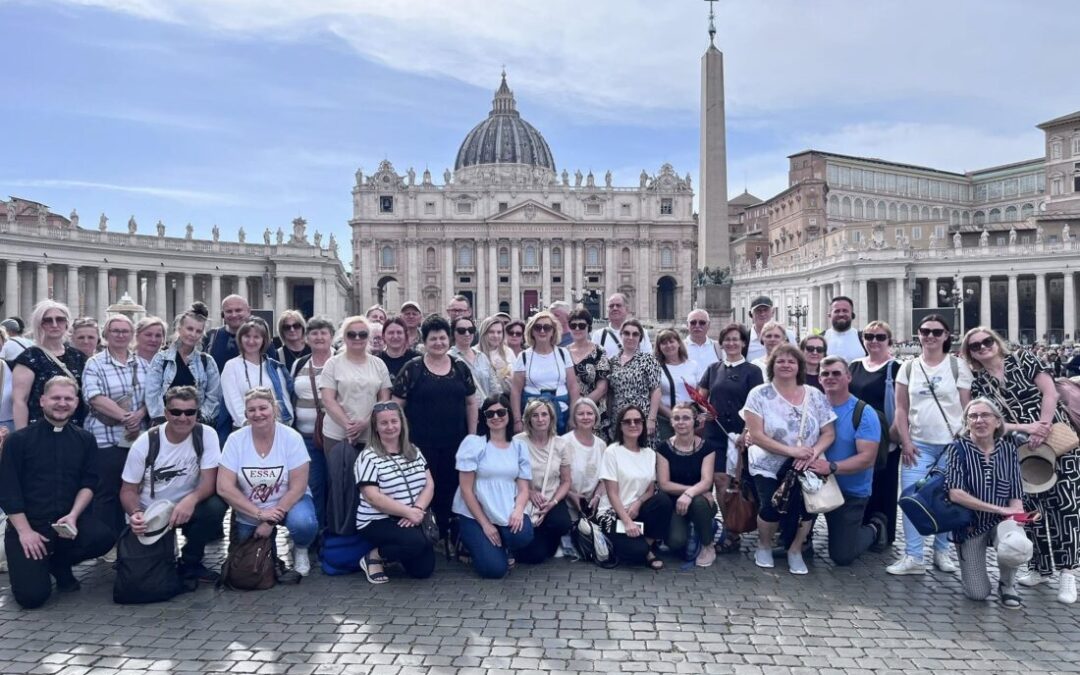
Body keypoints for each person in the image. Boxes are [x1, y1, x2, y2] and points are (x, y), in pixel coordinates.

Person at [961, 325, 1080, 602]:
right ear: (970, 354)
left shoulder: (1024, 358)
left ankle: (1068, 573)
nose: (982, 348)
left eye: (986, 341)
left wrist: (1044, 425)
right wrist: (1028, 428)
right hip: (1020, 447)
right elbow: (990, 420)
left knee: (1067, 505)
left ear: (996, 341)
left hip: (1057, 439)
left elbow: (1050, 393)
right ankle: (1040, 567)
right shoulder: (980, 383)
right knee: (1032, 508)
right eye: (975, 346)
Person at [0, 376, 113, 608]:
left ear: (76, 403)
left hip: (66, 525)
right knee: (32, 598)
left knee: (103, 536)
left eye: (68, 398)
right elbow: (8, 490)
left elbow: (89, 483)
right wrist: (25, 532)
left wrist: (73, 515)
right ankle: (37, 566)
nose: (62, 403)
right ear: (42, 401)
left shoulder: (85, 439)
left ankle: (59, 564)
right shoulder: (18, 441)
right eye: (56, 398)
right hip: (29, 527)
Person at [741, 344, 836, 575]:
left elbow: (829, 432)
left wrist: (813, 453)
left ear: (799, 366)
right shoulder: (759, 394)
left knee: (807, 508)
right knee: (771, 506)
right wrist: (791, 451)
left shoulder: (814, 395)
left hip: (806, 462)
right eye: (780, 361)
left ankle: (795, 549)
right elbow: (756, 435)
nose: (785, 365)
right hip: (768, 463)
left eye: (791, 361)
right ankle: (764, 545)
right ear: (772, 365)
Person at [889, 313, 971, 575]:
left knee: (945, 499)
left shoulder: (958, 366)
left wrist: (964, 441)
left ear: (947, 336)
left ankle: (941, 551)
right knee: (912, 498)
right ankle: (913, 556)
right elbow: (901, 409)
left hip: (952, 445)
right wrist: (905, 440)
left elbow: (967, 408)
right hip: (918, 444)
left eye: (937, 332)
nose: (930, 336)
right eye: (925, 331)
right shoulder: (908, 367)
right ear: (919, 334)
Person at [119, 386, 227, 583]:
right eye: (176, 412)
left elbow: (210, 481)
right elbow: (128, 490)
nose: (183, 418)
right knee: (149, 574)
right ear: (166, 413)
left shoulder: (206, 434)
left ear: (197, 413)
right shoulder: (145, 442)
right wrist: (135, 513)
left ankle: (191, 562)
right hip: (151, 511)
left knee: (215, 506)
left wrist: (191, 500)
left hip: (187, 507)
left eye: (190, 412)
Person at [217, 388, 318, 577]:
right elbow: (224, 487)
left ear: (275, 409)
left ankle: (301, 549)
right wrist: (259, 514)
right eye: (252, 410)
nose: (258, 414)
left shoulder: (291, 437)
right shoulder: (235, 440)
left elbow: (298, 486)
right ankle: (269, 550)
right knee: (248, 559)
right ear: (246, 414)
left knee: (303, 523)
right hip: (251, 507)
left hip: (289, 501)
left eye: (263, 408)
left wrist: (269, 521)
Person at [392, 315, 478, 534]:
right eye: (433, 339)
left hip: (455, 442)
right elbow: (396, 406)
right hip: (421, 444)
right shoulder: (413, 369)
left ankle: (446, 530)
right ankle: (424, 530)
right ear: (425, 341)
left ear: (448, 339)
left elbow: (471, 402)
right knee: (423, 488)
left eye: (442, 338)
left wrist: (472, 436)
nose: (438, 343)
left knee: (450, 487)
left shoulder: (460, 368)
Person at [944, 398, 1026, 608]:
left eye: (985, 415)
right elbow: (956, 493)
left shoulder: (1009, 450)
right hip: (970, 525)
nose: (979, 420)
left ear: (997, 422)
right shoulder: (957, 449)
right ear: (967, 422)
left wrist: (1016, 514)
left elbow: (1016, 492)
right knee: (977, 593)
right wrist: (999, 508)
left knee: (1016, 544)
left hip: (1002, 521)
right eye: (973, 416)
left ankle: (1008, 584)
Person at [809, 356, 887, 566]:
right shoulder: (811, 408)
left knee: (842, 556)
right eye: (825, 374)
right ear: (819, 378)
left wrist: (831, 467)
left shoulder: (863, 413)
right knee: (795, 545)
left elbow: (867, 459)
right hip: (814, 487)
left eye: (836, 373)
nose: (830, 377)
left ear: (849, 377)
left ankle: (875, 528)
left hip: (850, 492)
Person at [698, 322, 764, 554]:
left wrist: (747, 432)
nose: (731, 343)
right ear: (722, 343)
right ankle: (729, 528)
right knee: (719, 480)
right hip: (715, 433)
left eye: (736, 339)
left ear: (744, 343)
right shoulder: (713, 368)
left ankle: (739, 525)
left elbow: (756, 405)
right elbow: (701, 397)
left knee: (737, 483)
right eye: (727, 339)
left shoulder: (753, 371)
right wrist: (702, 412)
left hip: (739, 435)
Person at [354, 400, 436, 584]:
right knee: (415, 542)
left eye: (394, 421)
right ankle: (374, 556)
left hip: (413, 514)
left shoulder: (413, 450)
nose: (390, 427)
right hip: (377, 519)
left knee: (424, 570)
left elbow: (429, 484)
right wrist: (407, 512)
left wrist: (417, 509)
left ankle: (396, 554)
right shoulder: (368, 457)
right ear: (375, 427)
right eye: (384, 423)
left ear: (401, 423)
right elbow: (372, 496)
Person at [452, 395, 534, 579]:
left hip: (506, 509)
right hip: (475, 513)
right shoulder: (473, 444)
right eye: (490, 413)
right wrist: (486, 524)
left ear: (509, 414)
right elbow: (465, 490)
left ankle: (504, 545)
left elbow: (523, 488)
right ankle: (468, 542)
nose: (496, 417)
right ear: (484, 417)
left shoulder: (519, 447)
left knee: (522, 535)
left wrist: (519, 510)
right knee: (494, 570)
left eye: (501, 412)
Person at [82, 314, 149, 539]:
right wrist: (125, 417)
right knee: (107, 490)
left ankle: (135, 535)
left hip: (136, 438)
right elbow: (94, 396)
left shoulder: (143, 364)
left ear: (132, 336)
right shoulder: (95, 363)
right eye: (115, 331)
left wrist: (139, 415)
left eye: (125, 331)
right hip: (105, 437)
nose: (120, 335)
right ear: (106, 335)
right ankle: (108, 540)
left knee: (136, 488)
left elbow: (153, 396)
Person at [595, 404, 673, 569]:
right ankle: (643, 549)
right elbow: (612, 494)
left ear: (643, 425)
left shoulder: (650, 454)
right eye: (627, 421)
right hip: (613, 513)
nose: (633, 425)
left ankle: (646, 544)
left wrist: (638, 503)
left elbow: (650, 490)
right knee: (636, 552)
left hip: (637, 510)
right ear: (620, 426)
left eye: (637, 421)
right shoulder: (612, 452)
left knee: (663, 501)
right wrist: (627, 521)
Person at [848, 320, 903, 549]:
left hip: (886, 435)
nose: (874, 341)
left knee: (885, 483)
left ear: (889, 341)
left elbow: (903, 405)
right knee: (861, 482)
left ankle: (883, 533)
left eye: (880, 337)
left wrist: (896, 434)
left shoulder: (897, 367)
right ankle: (859, 529)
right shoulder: (854, 366)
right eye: (869, 337)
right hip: (857, 435)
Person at [203, 295, 277, 441]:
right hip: (218, 410)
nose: (234, 315)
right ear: (223, 313)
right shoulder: (212, 336)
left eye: (238, 310)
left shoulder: (266, 343)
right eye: (229, 311)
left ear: (249, 311)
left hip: (257, 413)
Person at [656, 403, 717, 568]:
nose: (681, 422)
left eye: (686, 418)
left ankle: (707, 544)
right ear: (671, 422)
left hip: (702, 503)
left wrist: (691, 494)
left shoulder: (707, 448)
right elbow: (664, 484)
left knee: (698, 502)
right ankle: (693, 529)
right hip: (677, 504)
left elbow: (706, 481)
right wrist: (689, 491)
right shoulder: (663, 448)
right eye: (676, 418)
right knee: (676, 543)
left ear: (694, 421)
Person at [289, 317, 336, 529]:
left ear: (332, 337)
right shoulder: (299, 363)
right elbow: (292, 396)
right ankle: (316, 531)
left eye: (323, 332)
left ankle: (335, 530)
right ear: (307, 338)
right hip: (305, 436)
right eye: (314, 333)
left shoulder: (342, 361)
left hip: (336, 436)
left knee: (336, 485)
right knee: (313, 485)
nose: (319, 337)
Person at [12, 300, 88, 429]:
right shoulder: (29, 357)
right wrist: (22, 437)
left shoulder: (78, 356)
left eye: (60, 319)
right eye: (47, 320)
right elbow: (20, 401)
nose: (54, 324)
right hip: (39, 430)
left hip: (76, 429)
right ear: (39, 325)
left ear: (66, 323)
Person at [512, 399, 572, 564]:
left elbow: (566, 481)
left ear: (551, 418)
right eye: (535, 415)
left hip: (550, 498)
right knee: (535, 557)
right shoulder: (518, 442)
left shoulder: (561, 444)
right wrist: (529, 493)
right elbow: (511, 475)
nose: (540, 419)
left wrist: (553, 502)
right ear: (528, 419)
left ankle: (547, 538)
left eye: (544, 414)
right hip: (526, 498)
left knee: (562, 523)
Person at [319, 316, 392, 449]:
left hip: (371, 434)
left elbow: (384, 398)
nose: (357, 338)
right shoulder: (332, 363)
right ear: (344, 337)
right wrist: (348, 425)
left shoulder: (379, 364)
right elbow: (328, 399)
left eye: (362, 334)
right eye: (351, 334)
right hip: (337, 435)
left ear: (369, 337)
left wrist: (367, 422)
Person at [144, 306, 221, 426]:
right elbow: (152, 394)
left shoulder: (207, 362)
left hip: (196, 424)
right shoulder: (161, 359)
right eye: (189, 329)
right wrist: (161, 420)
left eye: (198, 331)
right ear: (179, 329)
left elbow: (213, 397)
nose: (193, 334)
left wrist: (201, 420)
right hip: (165, 424)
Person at [511, 311, 580, 435]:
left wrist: (573, 416)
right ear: (531, 331)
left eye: (547, 328)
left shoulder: (563, 354)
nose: (542, 331)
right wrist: (517, 420)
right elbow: (516, 391)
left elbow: (573, 387)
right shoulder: (524, 357)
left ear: (553, 331)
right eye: (538, 327)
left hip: (561, 412)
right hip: (533, 415)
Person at [220, 319, 294, 431]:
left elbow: (284, 399)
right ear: (240, 338)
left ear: (264, 340)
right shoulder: (231, 366)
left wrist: (285, 425)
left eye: (256, 337)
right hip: (244, 429)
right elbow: (233, 400)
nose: (251, 341)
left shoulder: (274, 367)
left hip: (274, 428)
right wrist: (247, 424)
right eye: (247, 336)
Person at [606, 319, 662, 441]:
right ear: (621, 335)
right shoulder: (612, 362)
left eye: (635, 334)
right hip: (619, 419)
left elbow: (656, 391)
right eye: (626, 333)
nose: (630, 337)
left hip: (642, 418)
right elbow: (610, 393)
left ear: (640, 338)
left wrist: (651, 419)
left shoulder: (648, 360)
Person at [566, 308, 611, 440]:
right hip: (569, 413)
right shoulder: (563, 353)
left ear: (589, 327)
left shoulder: (599, 352)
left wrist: (580, 409)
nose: (577, 329)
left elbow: (602, 388)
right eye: (573, 325)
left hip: (594, 413)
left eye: (582, 325)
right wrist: (573, 413)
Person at [561, 398, 606, 521]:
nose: (586, 417)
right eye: (581, 414)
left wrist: (597, 496)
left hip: (593, 505)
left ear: (596, 417)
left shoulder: (602, 445)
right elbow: (554, 478)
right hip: (566, 504)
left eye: (590, 413)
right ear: (574, 418)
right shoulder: (563, 443)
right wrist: (570, 495)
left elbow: (604, 479)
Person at [654, 328, 703, 441]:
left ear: (678, 343)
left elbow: (699, 393)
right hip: (666, 420)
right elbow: (655, 397)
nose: (668, 345)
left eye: (671, 341)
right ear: (659, 347)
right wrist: (674, 417)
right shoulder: (656, 368)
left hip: (691, 419)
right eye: (664, 343)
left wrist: (703, 414)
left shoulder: (692, 365)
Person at [591, 293, 652, 358]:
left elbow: (648, 359)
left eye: (618, 305)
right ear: (607, 310)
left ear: (627, 309)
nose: (614, 308)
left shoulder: (641, 332)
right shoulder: (598, 335)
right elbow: (593, 361)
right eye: (611, 306)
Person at [449, 316, 494, 400]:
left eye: (471, 330)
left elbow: (493, 386)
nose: (467, 334)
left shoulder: (482, 356)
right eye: (461, 331)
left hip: (486, 409)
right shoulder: (449, 358)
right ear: (453, 333)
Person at [746, 296, 797, 363]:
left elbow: (796, 359)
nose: (762, 313)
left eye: (766, 310)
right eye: (758, 310)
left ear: (772, 312)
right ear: (751, 314)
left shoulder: (788, 335)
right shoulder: (745, 338)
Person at [476, 316, 514, 395]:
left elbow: (516, 381)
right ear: (484, 332)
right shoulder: (474, 352)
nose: (496, 335)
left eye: (499, 332)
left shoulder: (508, 352)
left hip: (506, 399)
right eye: (491, 332)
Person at [824, 296, 867, 362]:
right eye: (837, 311)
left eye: (845, 311)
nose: (841, 314)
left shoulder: (864, 339)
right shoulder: (821, 339)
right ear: (829, 315)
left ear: (852, 314)